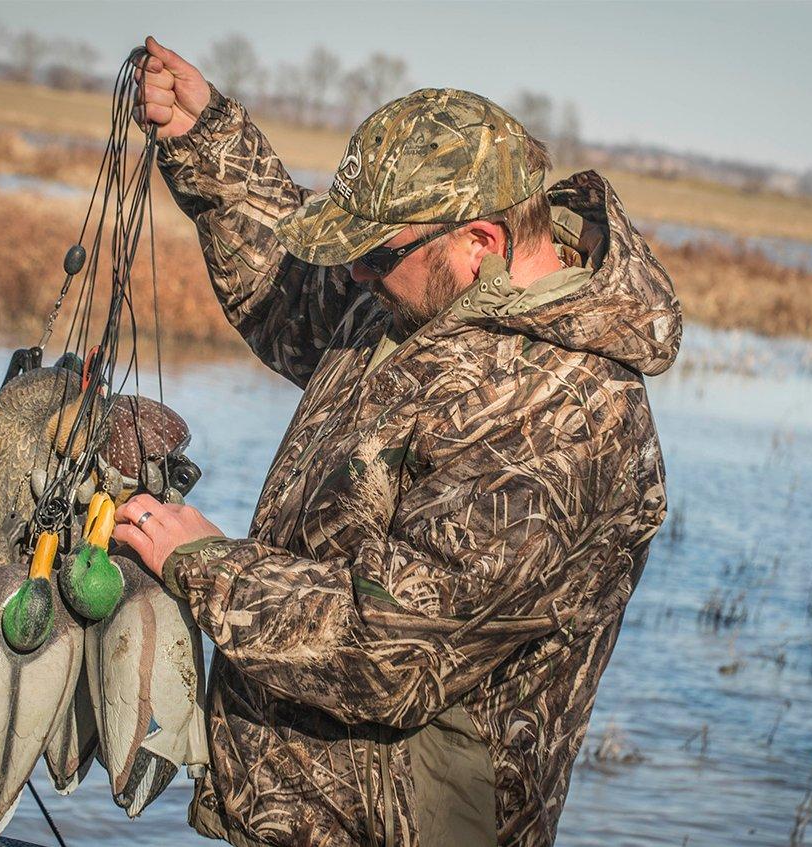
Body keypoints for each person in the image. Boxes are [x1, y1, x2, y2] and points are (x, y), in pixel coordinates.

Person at [111, 35, 681, 847]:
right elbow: (297, 296)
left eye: (373, 254)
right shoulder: (426, 292)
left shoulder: (566, 416)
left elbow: (391, 646)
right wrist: (209, 141)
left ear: (480, 239)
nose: (354, 276)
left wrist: (205, 564)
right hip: (295, 811)